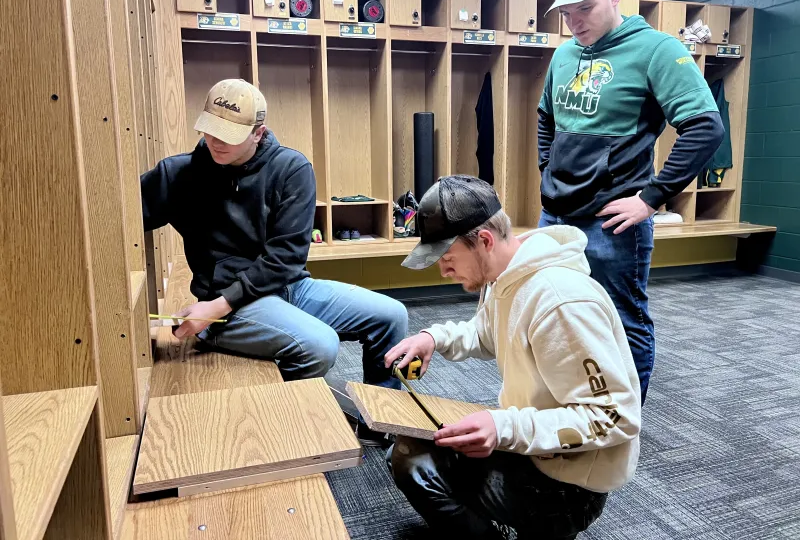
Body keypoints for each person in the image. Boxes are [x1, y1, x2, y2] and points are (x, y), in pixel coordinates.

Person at [140, 78, 407, 443]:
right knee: (320, 346)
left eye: (229, 134)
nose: (216, 142)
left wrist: (219, 305)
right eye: (210, 130)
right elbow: (119, 220)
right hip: (225, 306)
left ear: (258, 133)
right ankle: (294, 430)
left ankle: (383, 425)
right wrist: (213, 308)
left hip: (286, 286)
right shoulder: (178, 175)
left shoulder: (291, 169)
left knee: (392, 316)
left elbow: (286, 258)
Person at [385, 175, 641, 539]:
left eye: (446, 257)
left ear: (484, 241)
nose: (442, 270)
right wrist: (434, 337)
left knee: (415, 464)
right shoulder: (506, 277)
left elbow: (615, 417)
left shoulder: (560, 301)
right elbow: (486, 333)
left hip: (567, 486)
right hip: (533, 448)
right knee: (409, 448)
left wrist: (503, 427)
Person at [537, 0, 724, 402]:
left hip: (612, 222)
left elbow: (705, 127)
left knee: (623, 320)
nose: (574, 21)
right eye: (566, 12)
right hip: (556, 215)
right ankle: (574, 404)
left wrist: (651, 199)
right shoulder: (564, 54)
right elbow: (547, 116)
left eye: (585, 8)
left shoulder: (657, 49)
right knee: (561, 314)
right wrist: (548, 168)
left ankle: (623, 425)